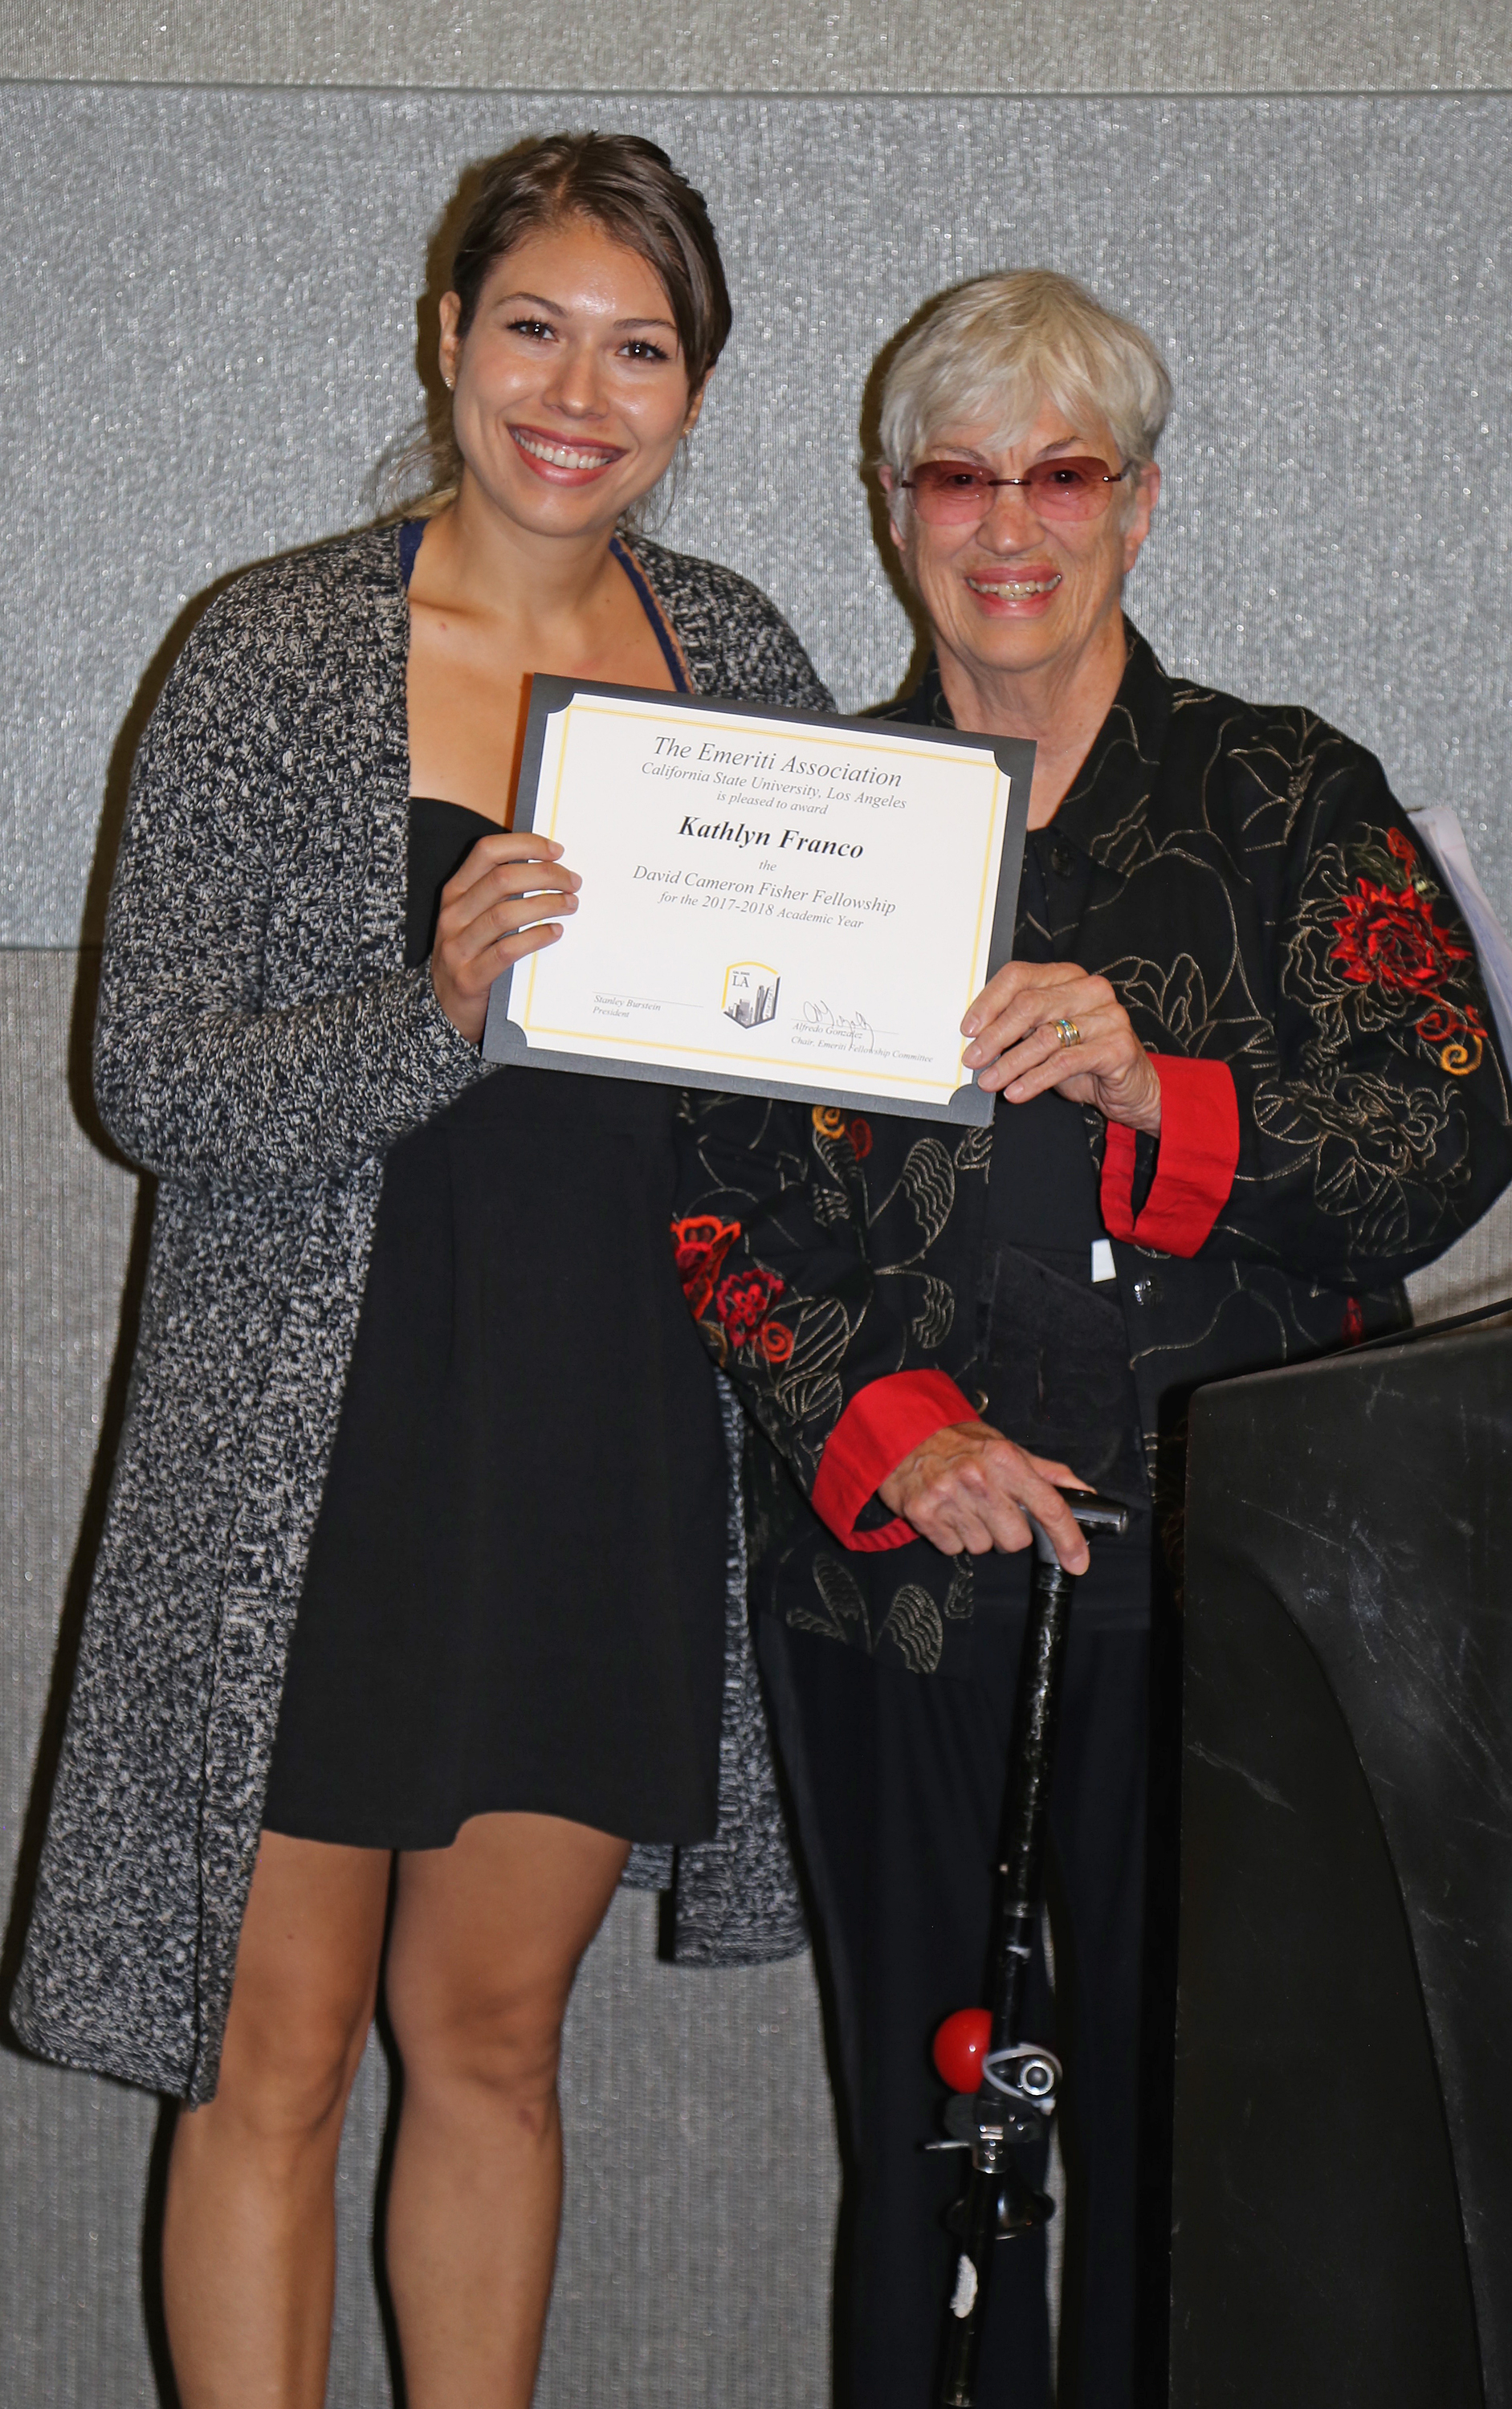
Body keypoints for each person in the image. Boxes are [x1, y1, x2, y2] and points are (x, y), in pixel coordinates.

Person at [11, 132, 829, 2409]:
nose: (579, 390)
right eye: (534, 328)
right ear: (448, 340)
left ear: (692, 387)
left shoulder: (739, 651)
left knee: (490, 2042)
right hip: (316, 1448)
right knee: (266, 2056)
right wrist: (429, 1010)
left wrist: (908, 1036)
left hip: (605, 1439)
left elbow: (783, 1085)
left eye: (638, 347)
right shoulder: (273, 649)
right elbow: (148, 1079)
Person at [672, 269, 1512, 2407]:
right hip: (901, 1590)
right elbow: (702, 1195)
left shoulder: (1280, 794)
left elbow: (1444, 1131)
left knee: (1204, 2147)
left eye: (1062, 473)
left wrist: (1161, 1090)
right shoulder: (803, 815)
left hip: (1236, 1589)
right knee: (931, 2149)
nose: (1007, 525)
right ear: (890, 510)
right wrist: (891, 1428)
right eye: (958, 476)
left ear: (1138, 504)